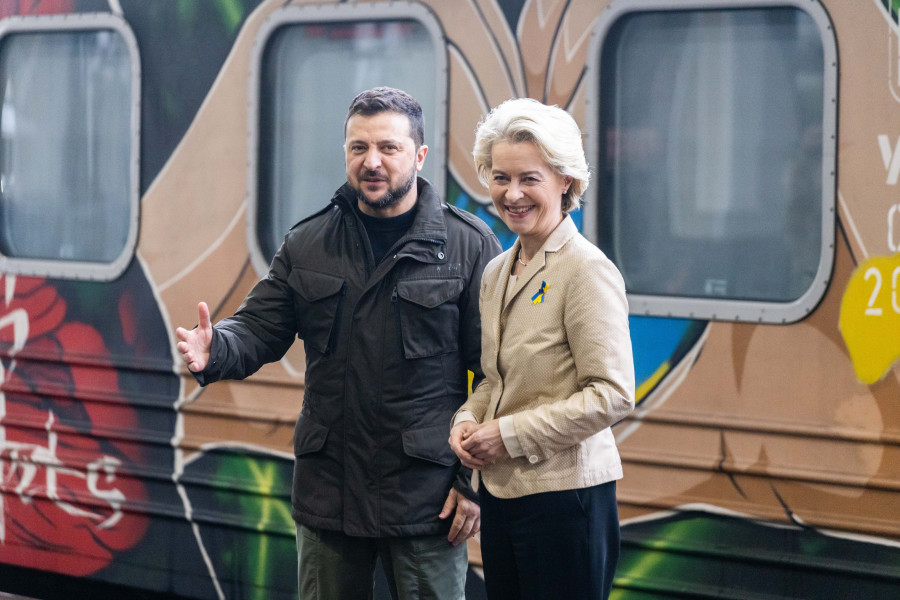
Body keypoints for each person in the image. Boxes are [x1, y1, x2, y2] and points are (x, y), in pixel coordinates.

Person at [176, 87, 501, 599]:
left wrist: (471, 482)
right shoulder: (309, 244)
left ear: (418, 155)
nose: (372, 162)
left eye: (388, 148)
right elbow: (258, 329)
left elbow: (495, 375)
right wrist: (217, 348)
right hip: (331, 494)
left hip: (426, 499)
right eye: (358, 147)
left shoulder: (468, 245)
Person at [449, 98, 635, 600]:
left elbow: (612, 394)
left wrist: (507, 435)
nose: (512, 194)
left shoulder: (586, 270)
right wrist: (466, 419)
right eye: (500, 177)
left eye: (529, 178)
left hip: (568, 500)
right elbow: (494, 378)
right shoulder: (497, 270)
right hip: (505, 497)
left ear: (566, 182)